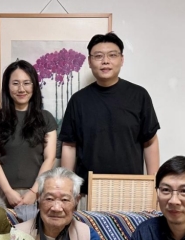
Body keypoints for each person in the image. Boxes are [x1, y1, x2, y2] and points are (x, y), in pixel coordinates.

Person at [59, 32, 160, 207]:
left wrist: (154, 186)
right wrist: (68, 188)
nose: (105, 61)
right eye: (98, 56)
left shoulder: (139, 95)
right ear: (90, 61)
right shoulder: (78, 100)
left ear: (122, 59)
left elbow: (150, 142)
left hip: (131, 191)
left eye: (112, 55)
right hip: (86, 192)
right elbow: (69, 145)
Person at [0, 60, 58, 208]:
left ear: (34, 86)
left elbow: (49, 159)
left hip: (36, 193)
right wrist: (8, 192)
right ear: (7, 86)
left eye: (26, 83)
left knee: (34, 225)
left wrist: (33, 192)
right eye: (15, 83)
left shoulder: (46, 118)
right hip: (1, 192)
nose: (21, 89)